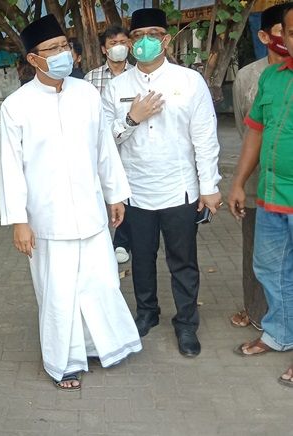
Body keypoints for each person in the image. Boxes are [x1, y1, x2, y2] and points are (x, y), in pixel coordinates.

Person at [0, 15, 142, 391]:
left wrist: (115, 194)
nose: (63, 54)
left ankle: (102, 346)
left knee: (101, 282)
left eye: (65, 46)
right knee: (58, 292)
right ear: (33, 59)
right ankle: (63, 362)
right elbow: (10, 167)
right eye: (53, 49)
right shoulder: (17, 106)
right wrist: (18, 220)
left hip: (91, 211)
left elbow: (104, 149)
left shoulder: (86, 95)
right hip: (46, 218)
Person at [102, 8, 222, 357]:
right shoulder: (117, 87)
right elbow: (105, 142)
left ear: (166, 39)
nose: (145, 42)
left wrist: (209, 185)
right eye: (138, 36)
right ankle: (146, 313)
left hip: (179, 188)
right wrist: (131, 118)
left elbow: (204, 137)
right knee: (141, 258)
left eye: (153, 34)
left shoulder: (189, 81)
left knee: (182, 260)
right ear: (130, 41)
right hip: (135, 190)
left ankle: (186, 323)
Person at [228, 3, 293, 387]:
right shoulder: (272, 77)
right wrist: (238, 181)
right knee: (270, 269)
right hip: (271, 197)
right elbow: (255, 131)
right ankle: (280, 333)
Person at [84, 25, 134, 264]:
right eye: (113, 43)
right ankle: (99, 239)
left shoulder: (137, 76)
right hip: (98, 147)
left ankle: (122, 242)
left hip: (129, 148)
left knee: (123, 194)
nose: (119, 47)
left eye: (123, 42)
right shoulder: (90, 79)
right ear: (104, 49)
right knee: (99, 194)